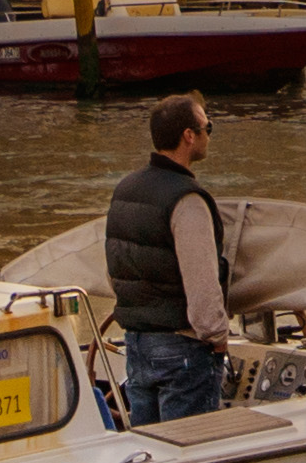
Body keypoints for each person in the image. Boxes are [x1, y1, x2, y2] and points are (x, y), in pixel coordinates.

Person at [100, 92, 240, 423]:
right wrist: (217, 339)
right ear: (188, 136)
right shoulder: (187, 200)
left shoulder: (126, 189)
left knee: (151, 454)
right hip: (184, 351)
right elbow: (202, 281)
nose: (209, 134)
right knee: (188, 454)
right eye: (208, 126)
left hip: (137, 345)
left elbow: (115, 268)